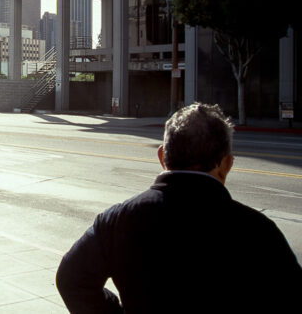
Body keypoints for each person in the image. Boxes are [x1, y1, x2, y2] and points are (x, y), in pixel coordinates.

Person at [55, 103, 302, 314]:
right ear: (226, 164)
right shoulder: (258, 231)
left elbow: (71, 279)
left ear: (162, 157)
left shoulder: (117, 220)